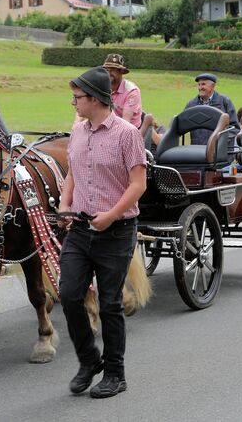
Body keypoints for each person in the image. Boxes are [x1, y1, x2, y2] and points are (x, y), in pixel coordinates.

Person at [57, 66, 147, 399]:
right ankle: (88, 360)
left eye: (77, 97)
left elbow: (138, 184)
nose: (73, 103)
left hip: (116, 230)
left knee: (109, 304)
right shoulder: (78, 132)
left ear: (94, 99)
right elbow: (73, 173)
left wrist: (110, 215)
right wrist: (65, 203)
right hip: (80, 229)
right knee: (68, 295)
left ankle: (115, 374)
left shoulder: (126, 134)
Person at [183, 73, 240, 145]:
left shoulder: (225, 101)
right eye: (199, 84)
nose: (200, 87)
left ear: (213, 86)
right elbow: (183, 124)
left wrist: (220, 141)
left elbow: (234, 127)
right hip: (198, 150)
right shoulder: (191, 104)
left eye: (203, 84)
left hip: (220, 152)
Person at [103, 53, 142, 128]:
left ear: (121, 71)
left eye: (113, 70)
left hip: (129, 131)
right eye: (107, 70)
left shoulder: (131, 91)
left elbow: (125, 123)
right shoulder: (102, 87)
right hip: (109, 128)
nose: (109, 73)